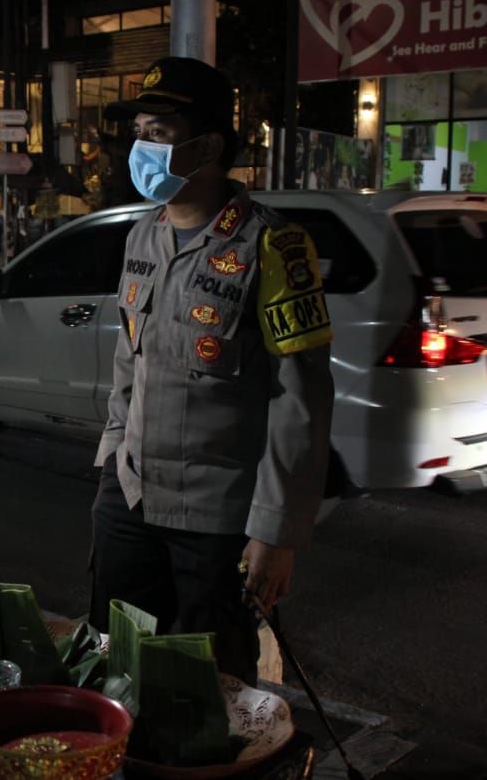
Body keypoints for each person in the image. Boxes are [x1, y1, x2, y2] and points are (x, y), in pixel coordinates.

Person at [89, 56, 335, 685]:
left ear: (208, 146)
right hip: (130, 498)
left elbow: (300, 401)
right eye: (139, 132)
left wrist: (276, 534)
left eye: (159, 133)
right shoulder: (142, 237)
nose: (141, 148)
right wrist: (112, 461)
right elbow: (130, 360)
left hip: (216, 519)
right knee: (117, 670)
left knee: (208, 690)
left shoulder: (272, 246)